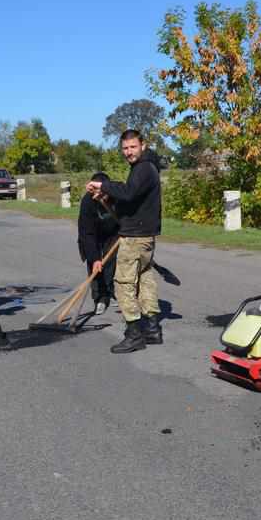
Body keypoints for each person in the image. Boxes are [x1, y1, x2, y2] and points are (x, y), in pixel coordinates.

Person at [85, 129, 163, 353]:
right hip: (144, 235)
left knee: (123, 284)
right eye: (125, 148)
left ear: (143, 146)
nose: (129, 152)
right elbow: (132, 200)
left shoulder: (143, 168)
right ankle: (152, 329)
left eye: (133, 147)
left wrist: (103, 186)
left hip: (136, 237)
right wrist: (107, 196)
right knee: (145, 280)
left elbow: (128, 192)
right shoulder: (146, 168)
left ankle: (134, 334)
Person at [77, 172, 119, 315]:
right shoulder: (87, 202)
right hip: (92, 234)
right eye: (96, 192)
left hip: (112, 233)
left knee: (110, 261)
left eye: (103, 192)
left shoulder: (117, 197)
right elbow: (87, 233)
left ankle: (110, 292)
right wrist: (95, 258)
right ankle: (99, 298)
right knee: (94, 265)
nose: (101, 196)